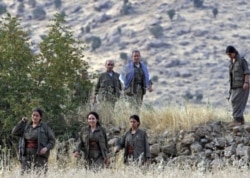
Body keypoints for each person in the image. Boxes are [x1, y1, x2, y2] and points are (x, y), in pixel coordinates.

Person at [12, 108, 56, 175]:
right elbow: (14, 132)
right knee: (25, 175)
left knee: (39, 174)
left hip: (39, 156)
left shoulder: (45, 127)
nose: (35, 117)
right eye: (33, 115)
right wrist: (22, 122)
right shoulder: (26, 126)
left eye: (37, 115)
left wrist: (46, 148)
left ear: (40, 117)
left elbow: (52, 140)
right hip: (26, 155)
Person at [226, 46, 250, 126]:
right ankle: (241, 120)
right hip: (234, 86)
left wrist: (246, 82)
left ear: (234, 52)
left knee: (236, 101)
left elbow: (246, 72)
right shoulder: (232, 62)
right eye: (228, 54)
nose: (229, 56)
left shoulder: (241, 61)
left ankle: (237, 120)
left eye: (230, 54)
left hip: (242, 86)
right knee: (234, 101)